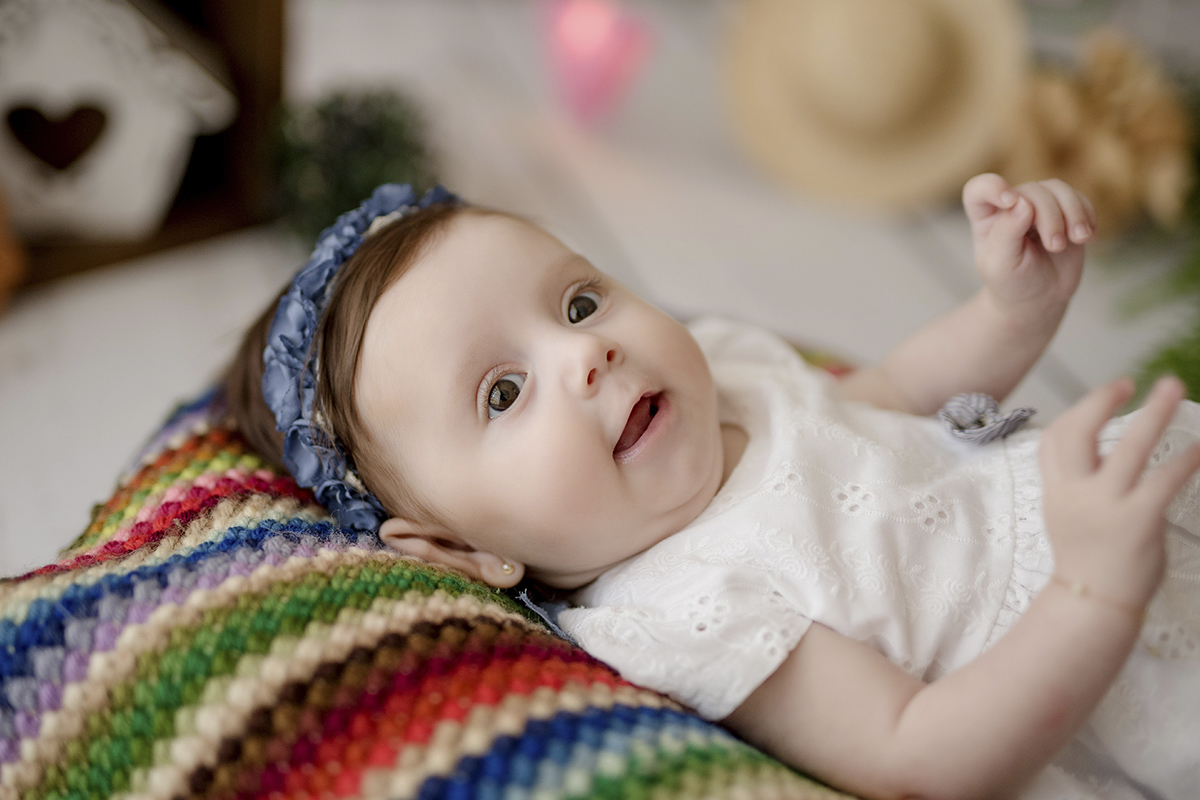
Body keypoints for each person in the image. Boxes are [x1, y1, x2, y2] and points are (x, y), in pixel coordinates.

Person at [225, 175, 1200, 800]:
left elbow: (893, 398)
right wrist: (1091, 590)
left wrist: (1012, 308)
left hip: (1131, 523)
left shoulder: (724, 369)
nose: (588, 352)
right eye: (504, 391)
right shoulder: (681, 608)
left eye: (577, 300)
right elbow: (916, 753)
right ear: (462, 549)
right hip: (1107, 678)